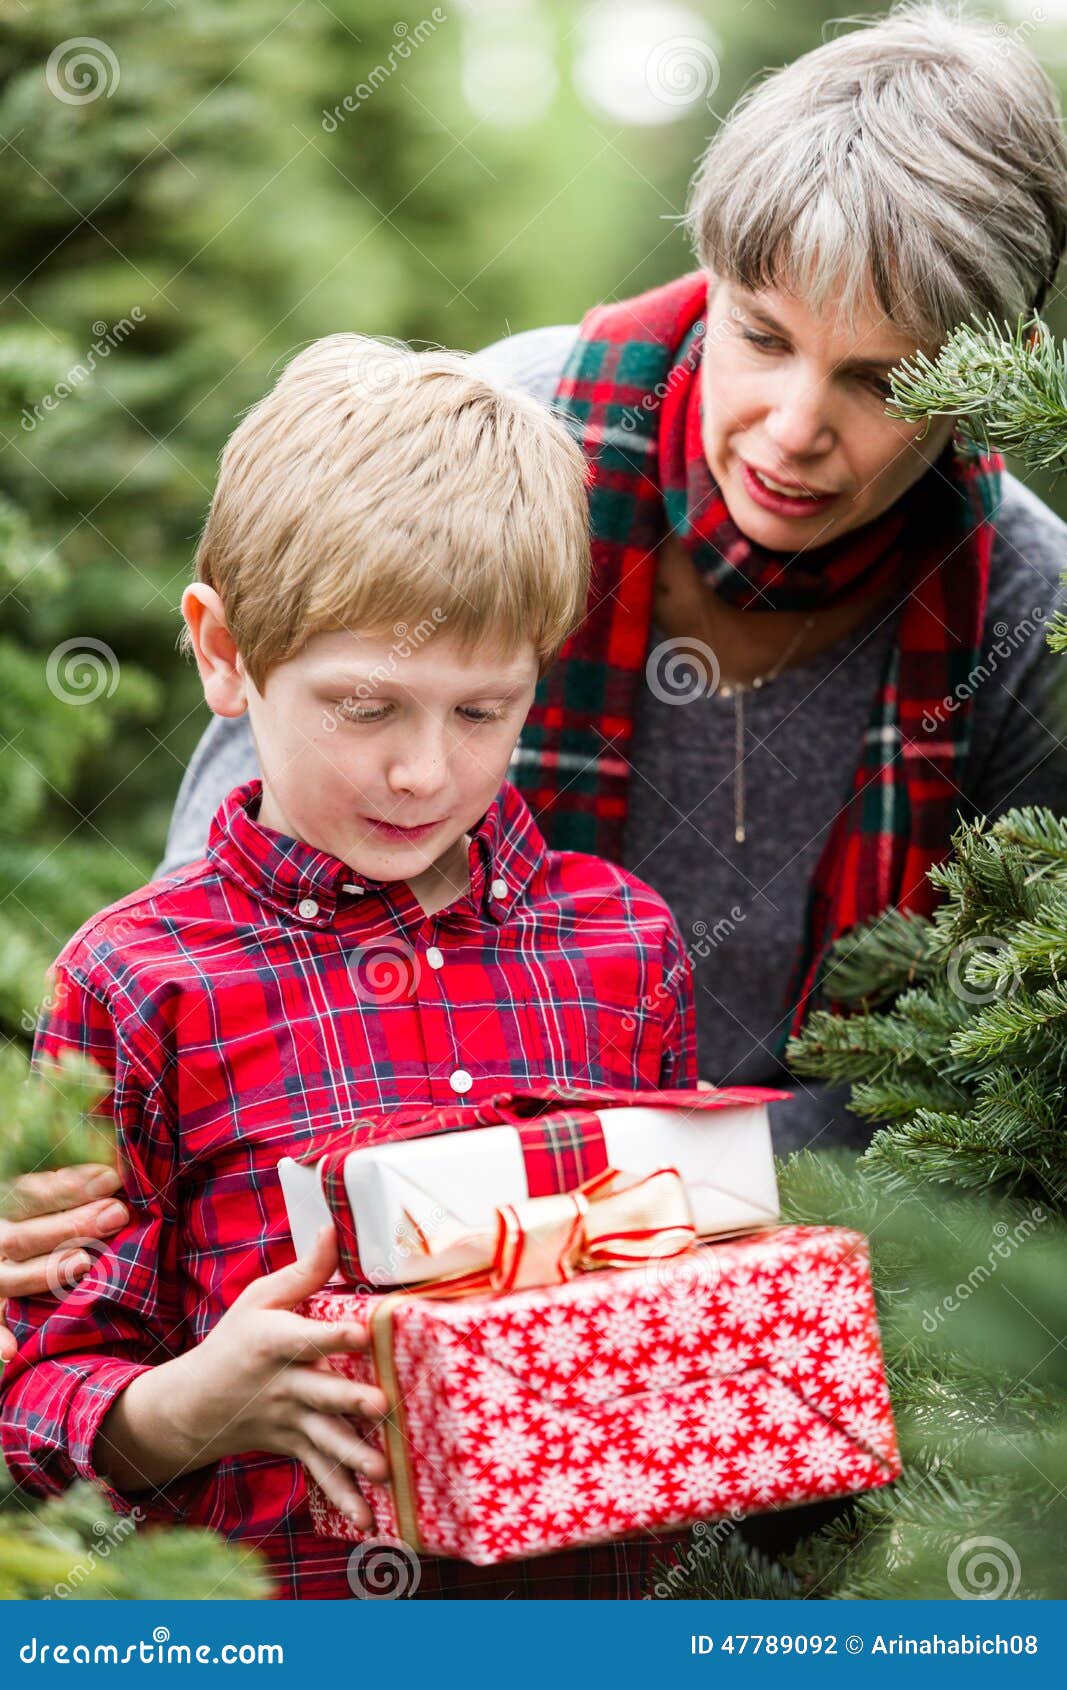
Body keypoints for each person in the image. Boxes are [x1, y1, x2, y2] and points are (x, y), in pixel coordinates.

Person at [6, 2, 1067, 1349]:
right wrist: (103, 1144)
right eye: (760, 337)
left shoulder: (1018, 612)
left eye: (878, 380)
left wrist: (655, 1218)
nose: (794, 428)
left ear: (989, 376)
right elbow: (230, 893)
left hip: (760, 1264)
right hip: (367, 1206)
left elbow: (967, 1081)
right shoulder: (514, 451)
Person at [0, 335, 703, 1599]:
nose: (425, 770)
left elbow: (678, 1293)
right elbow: (39, 1391)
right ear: (224, 652)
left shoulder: (624, 946)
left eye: (482, 710)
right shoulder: (136, 982)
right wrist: (188, 1407)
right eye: (367, 707)